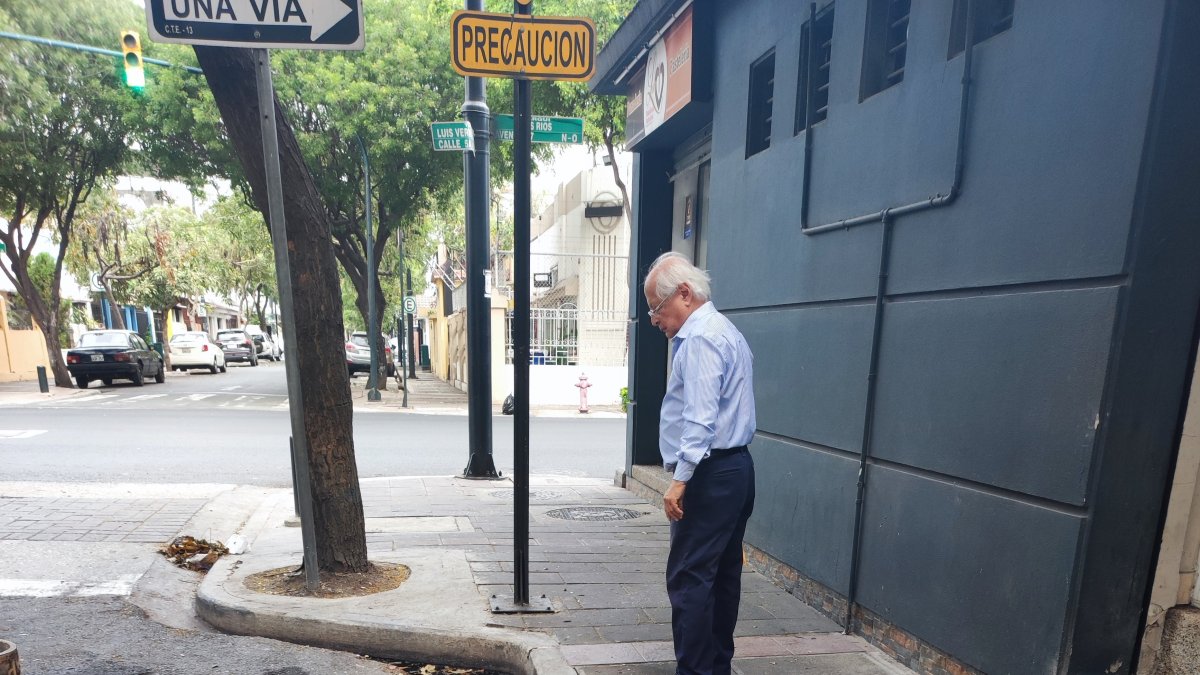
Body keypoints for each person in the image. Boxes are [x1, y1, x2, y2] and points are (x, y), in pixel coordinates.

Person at [643, 251, 756, 675]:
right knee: (722, 577)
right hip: (735, 471)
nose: (655, 319)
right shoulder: (728, 332)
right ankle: (715, 668)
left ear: (685, 294)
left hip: (711, 475)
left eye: (657, 307)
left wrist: (680, 480)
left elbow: (700, 418)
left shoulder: (703, 339)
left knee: (690, 580)